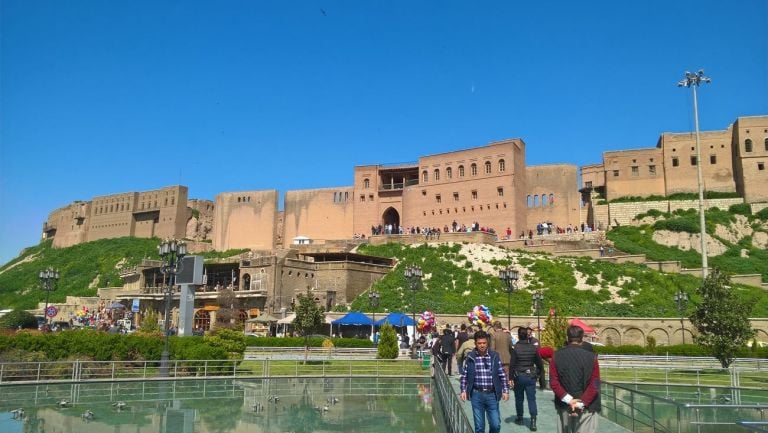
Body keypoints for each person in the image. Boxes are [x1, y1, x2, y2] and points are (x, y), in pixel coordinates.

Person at [550, 326, 601, 433]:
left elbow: (554, 382)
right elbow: (595, 383)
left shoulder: (556, 356)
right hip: (587, 405)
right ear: (582, 338)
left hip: (564, 404)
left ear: (567, 337)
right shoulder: (591, 357)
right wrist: (581, 402)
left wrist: (569, 399)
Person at [460, 330, 509, 433]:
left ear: (487, 343)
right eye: (479, 343)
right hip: (476, 395)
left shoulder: (494, 356)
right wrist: (463, 390)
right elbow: (464, 375)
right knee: (479, 427)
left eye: (484, 343)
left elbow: (501, 374)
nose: (482, 345)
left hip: (492, 394)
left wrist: (505, 390)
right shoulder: (471, 357)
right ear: (475, 344)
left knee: (495, 425)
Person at [510, 327, 545, 431]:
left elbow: (512, 364)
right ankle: (533, 421)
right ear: (528, 335)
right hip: (531, 376)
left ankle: (520, 417)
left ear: (519, 336)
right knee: (531, 399)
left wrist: (510, 377)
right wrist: (537, 374)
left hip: (519, 376)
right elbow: (540, 364)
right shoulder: (533, 348)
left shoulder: (516, 347)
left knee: (519, 398)